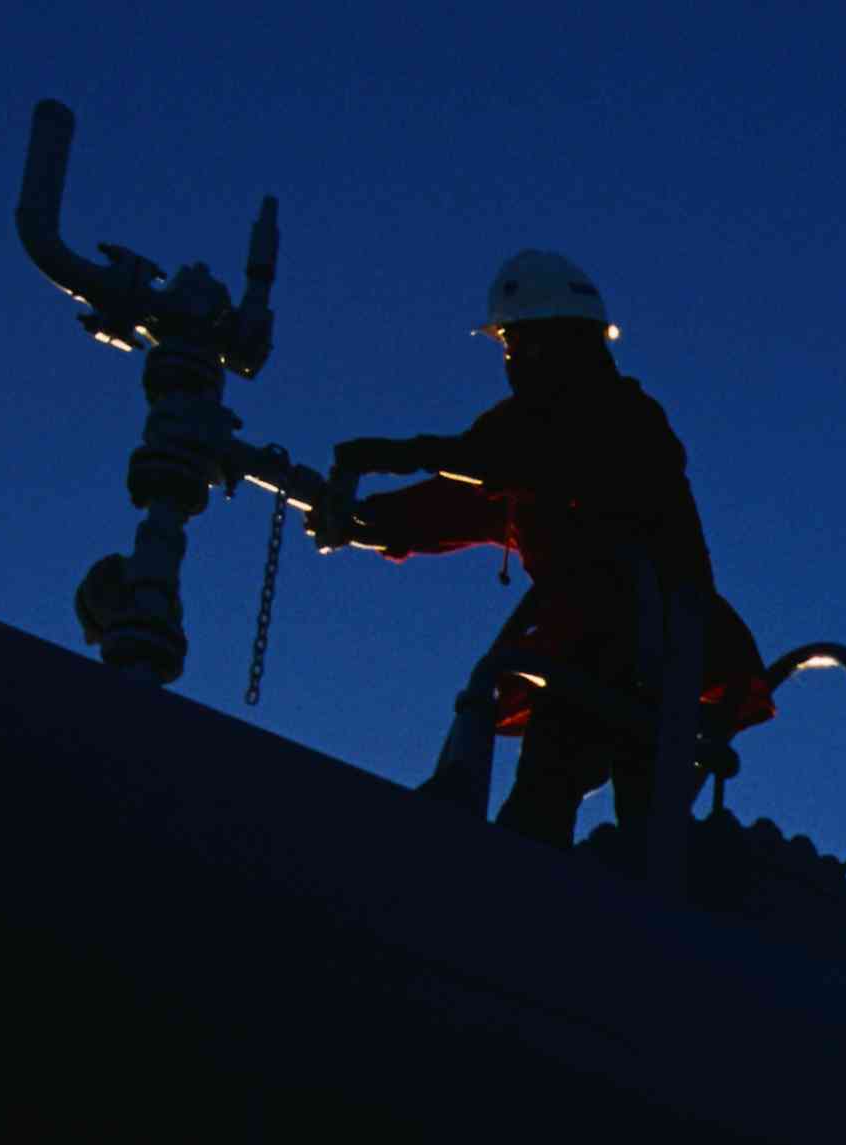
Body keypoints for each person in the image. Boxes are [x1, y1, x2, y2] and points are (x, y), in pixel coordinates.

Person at [327, 252, 771, 845]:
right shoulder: (540, 441)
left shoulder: (619, 419)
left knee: (564, 808)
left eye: (513, 344)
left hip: (646, 651)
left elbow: (499, 460)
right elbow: (464, 500)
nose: (509, 360)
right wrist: (366, 522)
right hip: (607, 654)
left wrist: (385, 455)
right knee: (594, 815)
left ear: (546, 341)